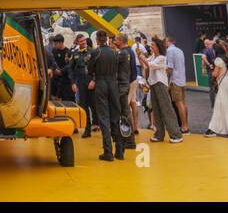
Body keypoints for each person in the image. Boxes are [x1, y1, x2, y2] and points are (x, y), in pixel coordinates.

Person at [87, 29, 127, 160]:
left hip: (101, 84)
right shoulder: (115, 53)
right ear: (106, 39)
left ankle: (108, 151)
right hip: (113, 84)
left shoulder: (95, 52)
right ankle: (120, 151)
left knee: (103, 117)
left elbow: (90, 69)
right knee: (116, 115)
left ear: (97, 40)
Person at [136, 37, 181, 143]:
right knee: (156, 110)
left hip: (160, 84)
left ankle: (176, 134)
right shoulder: (153, 56)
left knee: (166, 109)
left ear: (158, 47)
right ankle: (159, 134)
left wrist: (141, 56)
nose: (151, 47)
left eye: (153, 45)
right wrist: (139, 56)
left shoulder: (162, 58)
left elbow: (149, 65)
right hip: (153, 84)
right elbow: (145, 65)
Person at [68, 35, 93, 137]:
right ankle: (87, 129)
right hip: (81, 83)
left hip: (92, 82)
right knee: (84, 106)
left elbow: (97, 67)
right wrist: (73, 83)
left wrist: (94, 80)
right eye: (81, 41)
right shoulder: (75, 54)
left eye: (84, 40)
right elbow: (70, 69)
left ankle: (107, 129)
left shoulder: (93, 52)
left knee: (97, 106)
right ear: (78, 42)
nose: (83, 42)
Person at [164, 36, 189, 133]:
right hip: (182, 79)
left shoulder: (169, 51)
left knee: (179, 104)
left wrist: (167, 80)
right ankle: (185, 124)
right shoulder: (180, 50)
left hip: (175, 80)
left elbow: (170, 68)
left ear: (168, 41)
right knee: (182, 103)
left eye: (165, 41)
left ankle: (184, 127)